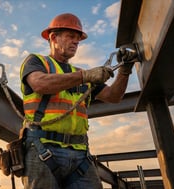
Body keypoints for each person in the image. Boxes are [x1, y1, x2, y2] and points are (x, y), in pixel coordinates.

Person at [19, 13, 135, 189]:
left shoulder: (81, 74)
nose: (76, 42)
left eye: (78, 39)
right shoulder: (37, 62)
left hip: (80, 153)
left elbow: (114, 96)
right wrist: (84, 76)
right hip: (42, 148)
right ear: (53, 37)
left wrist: (125, 71)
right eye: (70, 36)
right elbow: (39, 83)